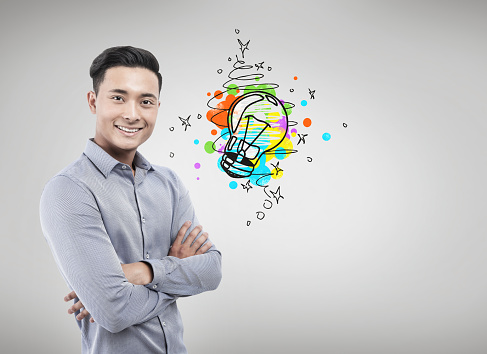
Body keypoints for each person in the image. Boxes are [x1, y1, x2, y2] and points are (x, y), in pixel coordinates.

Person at [39, 46, 222, 353]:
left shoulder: (169, 183)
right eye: (118, 97)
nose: (132, 114)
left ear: (157, 107)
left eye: (145, 101)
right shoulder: (68, 190)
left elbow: (212, 270)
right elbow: (113, 311)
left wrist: (142, 272)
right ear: (93, 101)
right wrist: (177, 272)